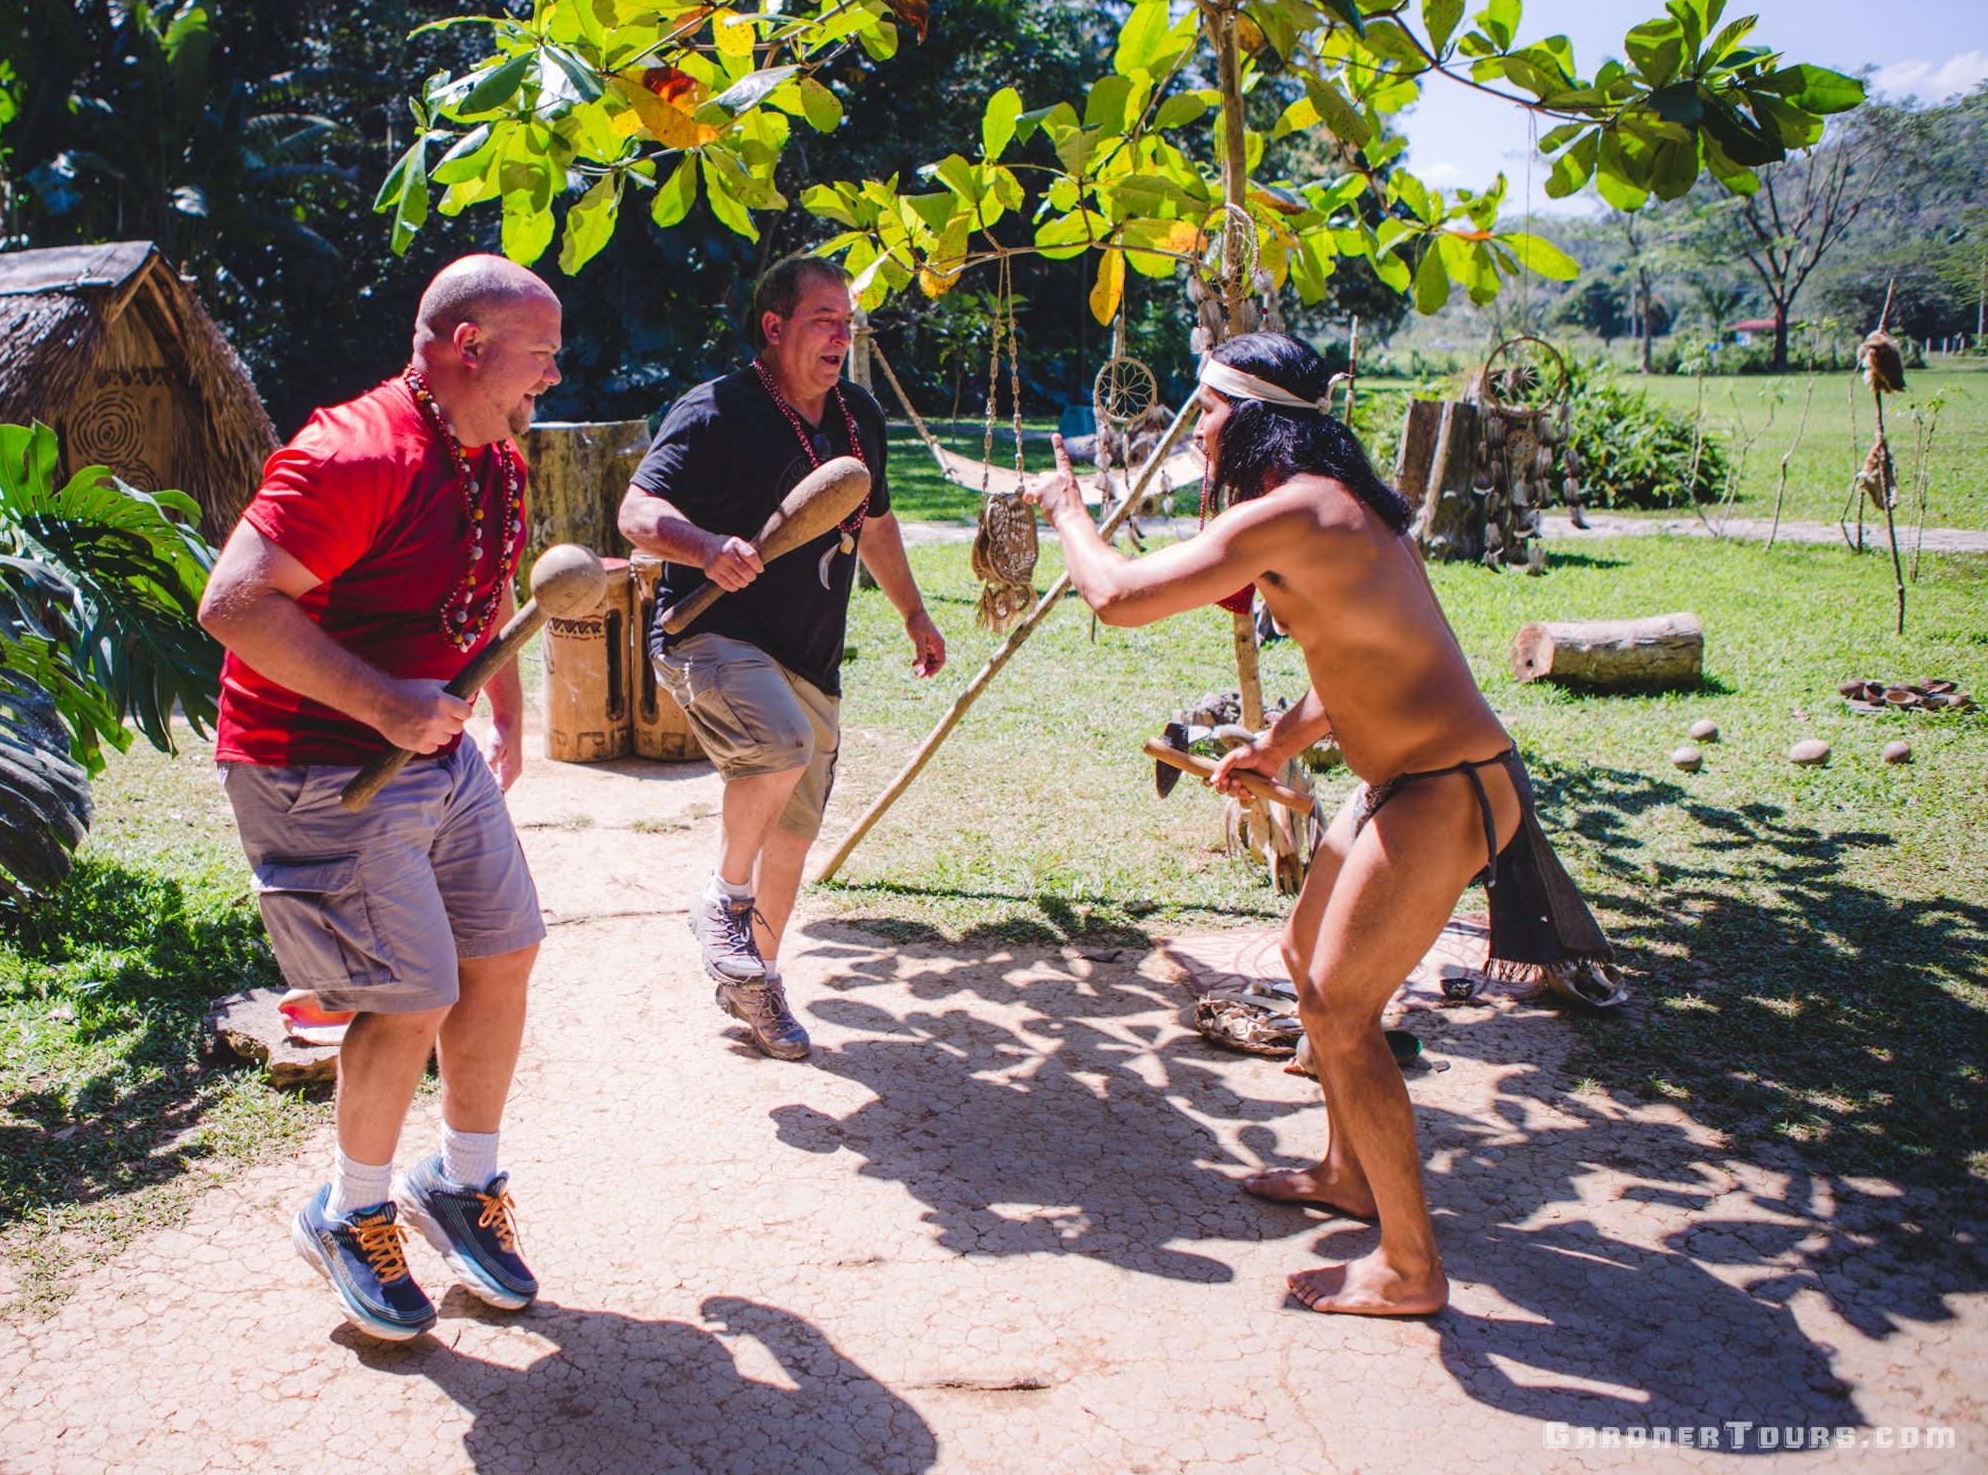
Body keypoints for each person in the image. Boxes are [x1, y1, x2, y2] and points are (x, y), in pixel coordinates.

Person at [1022, 330, 1612, 1318]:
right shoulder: (1328, 508)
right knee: (1307, 964)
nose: (1198, 431)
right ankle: (1347, 1172)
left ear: (1249, 418)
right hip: (1409, 780)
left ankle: (1412, 1266)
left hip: (1445, 785)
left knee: (1339, 1011)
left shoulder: (1299, 511)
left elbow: (1117, 596)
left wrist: (1069, 510)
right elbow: (1356, 661)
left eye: (1208, 412)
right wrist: (1273, 744)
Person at [197, 253, 563, 1341]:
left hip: (429, 751)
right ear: (468, 348)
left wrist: (500, 710)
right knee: (409, 995)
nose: (552, 375)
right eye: (538, 354)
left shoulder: (494, 450)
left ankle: (461, 1185)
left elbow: (485, 583)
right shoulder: (355, 452)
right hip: (319, 766)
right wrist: (385, 706)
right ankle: (349, 1211)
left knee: (502, 953)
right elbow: (235, 604)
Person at [619, 256, 947, 1059]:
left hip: (811, 653)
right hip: (708, 631)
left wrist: (914, 613)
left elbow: (873, 525)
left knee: (794, 838)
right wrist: (702, 546)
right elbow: (635, 511)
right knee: (778, 746)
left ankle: (753, 979)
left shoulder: (858, 415)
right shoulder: (715, 411)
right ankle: (720, 900)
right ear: (774, 327)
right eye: (823, 319)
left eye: (847, 321)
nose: (842, 334)